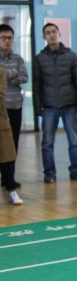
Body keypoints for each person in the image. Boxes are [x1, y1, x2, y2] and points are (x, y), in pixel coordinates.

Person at [32, 23, 77, 183]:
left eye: (54, 32)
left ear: (59, 34)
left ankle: (76, 170)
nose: (51, 35)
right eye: (48, 33)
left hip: (69, 105)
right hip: (49, 106)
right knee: (47, 142)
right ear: (44, 37)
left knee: (74, 140)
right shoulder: (39, 58)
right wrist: (37, 108)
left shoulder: (71, 56)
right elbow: (36, 84)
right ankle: (49, 173)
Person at [0, 23, 28, 201]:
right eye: (3, 38)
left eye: (10, 38)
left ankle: (9, 177)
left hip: (15, 105)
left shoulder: (18, 58)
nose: (7, 41)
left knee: (12, 144)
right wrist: (12, 73)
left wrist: (3, 75)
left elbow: (24, 77)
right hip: (1, 108)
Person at [0, 66, 22, 204]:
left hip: (0, 123)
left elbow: (0, 94)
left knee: (6, 159)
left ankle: (12, 192)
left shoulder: (1, 71)